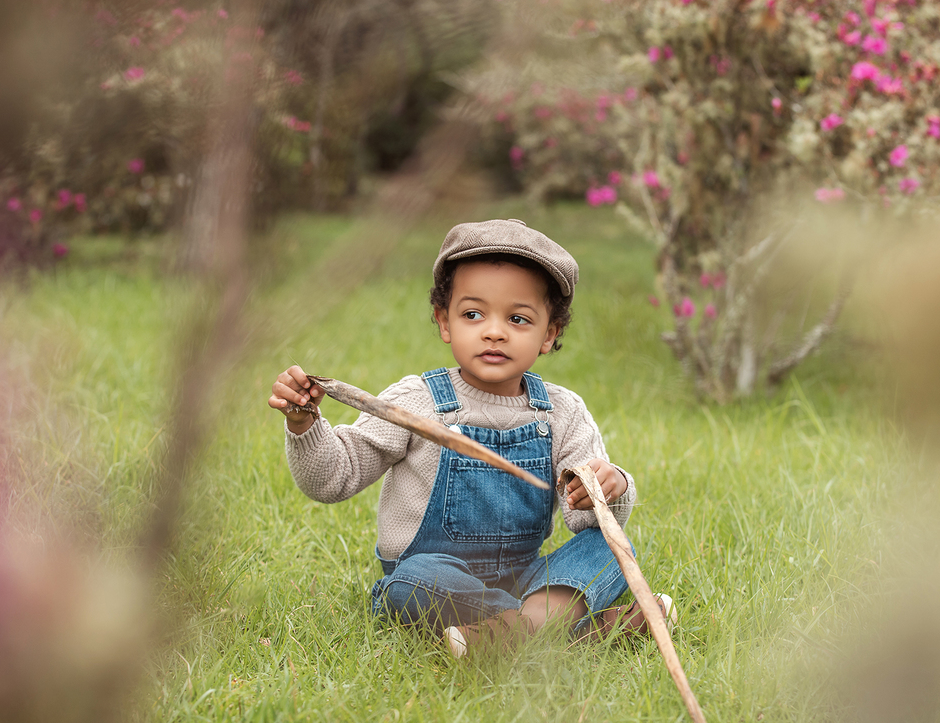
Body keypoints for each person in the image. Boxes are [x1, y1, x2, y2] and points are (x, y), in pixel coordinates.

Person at [268, 218, 673, 657]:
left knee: (610, 547)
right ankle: (567, 630)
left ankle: (508, 633)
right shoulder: (417, 401)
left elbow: (585, 521)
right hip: (441, 579)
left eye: (518, 318)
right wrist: (304, 424)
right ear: (445, 323)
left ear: (549, 334)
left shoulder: (562, 412)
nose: (494, 331)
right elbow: (334, 479)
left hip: (525, 577)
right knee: (409, 581)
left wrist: (606, 485)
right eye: (473, 314)